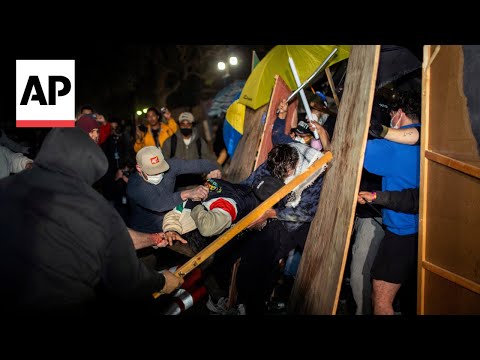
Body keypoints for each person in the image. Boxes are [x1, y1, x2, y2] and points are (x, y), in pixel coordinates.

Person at [0, 127, 183, 315]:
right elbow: (126, 278)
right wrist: (161, 282)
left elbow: (115, 237)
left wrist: (153, 238)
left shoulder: (5, 188)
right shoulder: (95, 209)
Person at [235, 142, 327, 314]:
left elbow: (305, 213)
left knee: (271, 257)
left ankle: (263, 303)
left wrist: (273, 213)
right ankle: (250, 302)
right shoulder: (277, 159)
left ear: (294, 165)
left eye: (286, 174)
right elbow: (249, 183)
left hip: (293, 221)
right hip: (272, 213)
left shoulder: (314, 172)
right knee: (254, 257)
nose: (282, 179)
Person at [363, 100, 421, 315]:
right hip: (428, 233)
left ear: (400, 114)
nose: (390, 118)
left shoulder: (392, 147)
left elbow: (349, 152)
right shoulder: (431, 139)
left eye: (392, 113)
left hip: (402, 232)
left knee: (381, 300)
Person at [162, 176, 284, 253]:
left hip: (204, 242)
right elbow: (206, 228)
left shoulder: (231, 197)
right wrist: (171, 229)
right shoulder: (226, 205)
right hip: (194, 242)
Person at [127, 146, 220, 235]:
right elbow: (159, 204)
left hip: (170, 218)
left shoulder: (170, 166)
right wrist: (188, 193)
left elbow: (196, 164)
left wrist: (213, 169)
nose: (158, 174)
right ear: (139, 168)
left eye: (160, 169)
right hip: (146, 231)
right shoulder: (134, 186)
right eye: (153, 172)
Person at [162, 111, 217, 190]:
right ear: (179, 125)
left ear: (192, 125)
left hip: (197, 186)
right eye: (182, 124)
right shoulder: (170, 142)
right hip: (176, 187)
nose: (185, 126)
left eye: (188, 124)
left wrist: (217, 172)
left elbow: (210, 159)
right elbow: (163, 163)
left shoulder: (200, 142)